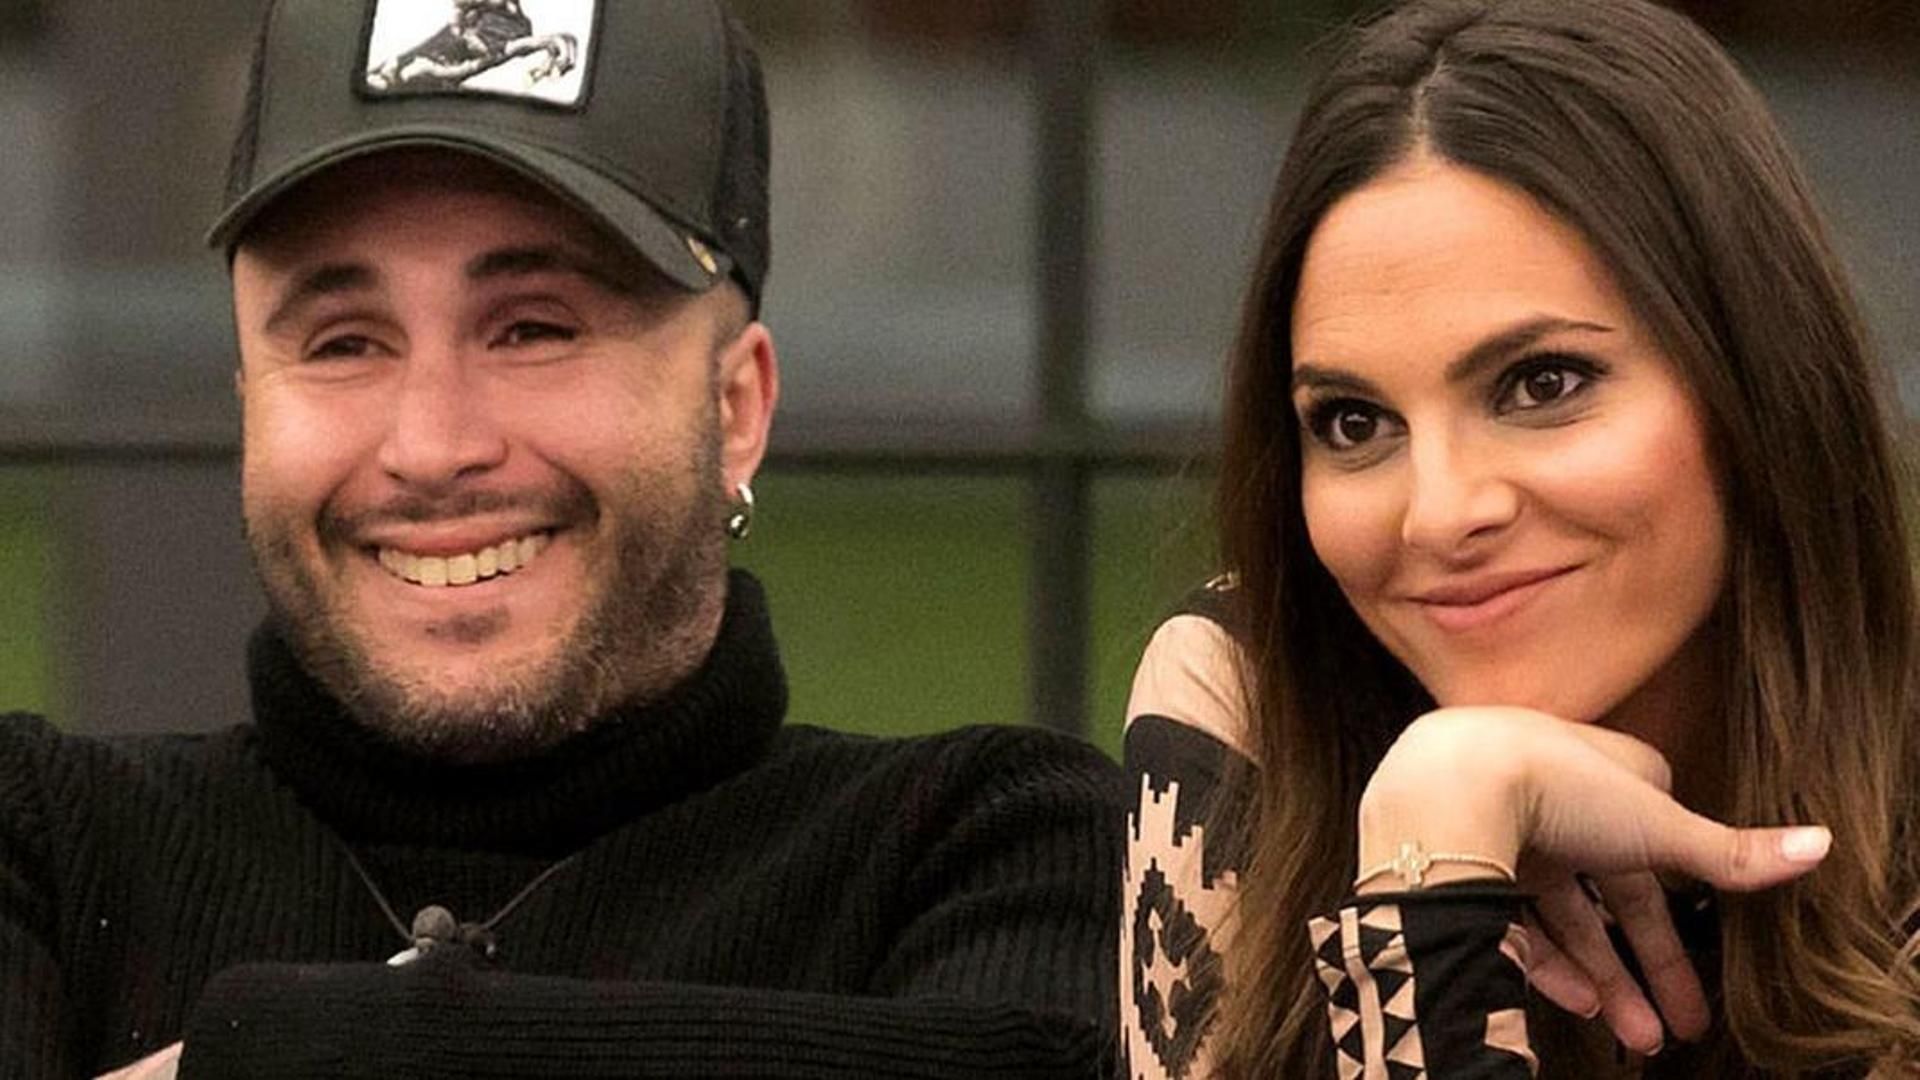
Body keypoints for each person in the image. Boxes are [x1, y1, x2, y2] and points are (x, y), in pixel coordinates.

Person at [1, 1, 1122, 1076]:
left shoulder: (984, 845)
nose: (432, 446)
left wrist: (280, 1056)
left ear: (736, 407)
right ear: (250, 399)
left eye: (534, 328)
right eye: (343, 342)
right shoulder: (39, 842)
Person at [1121, 0, 1920, 1076]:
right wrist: (1436, 842)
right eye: (1355, 423)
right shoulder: (1247, 696)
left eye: (1543, 384)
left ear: (1755, 385)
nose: (1440, 513)